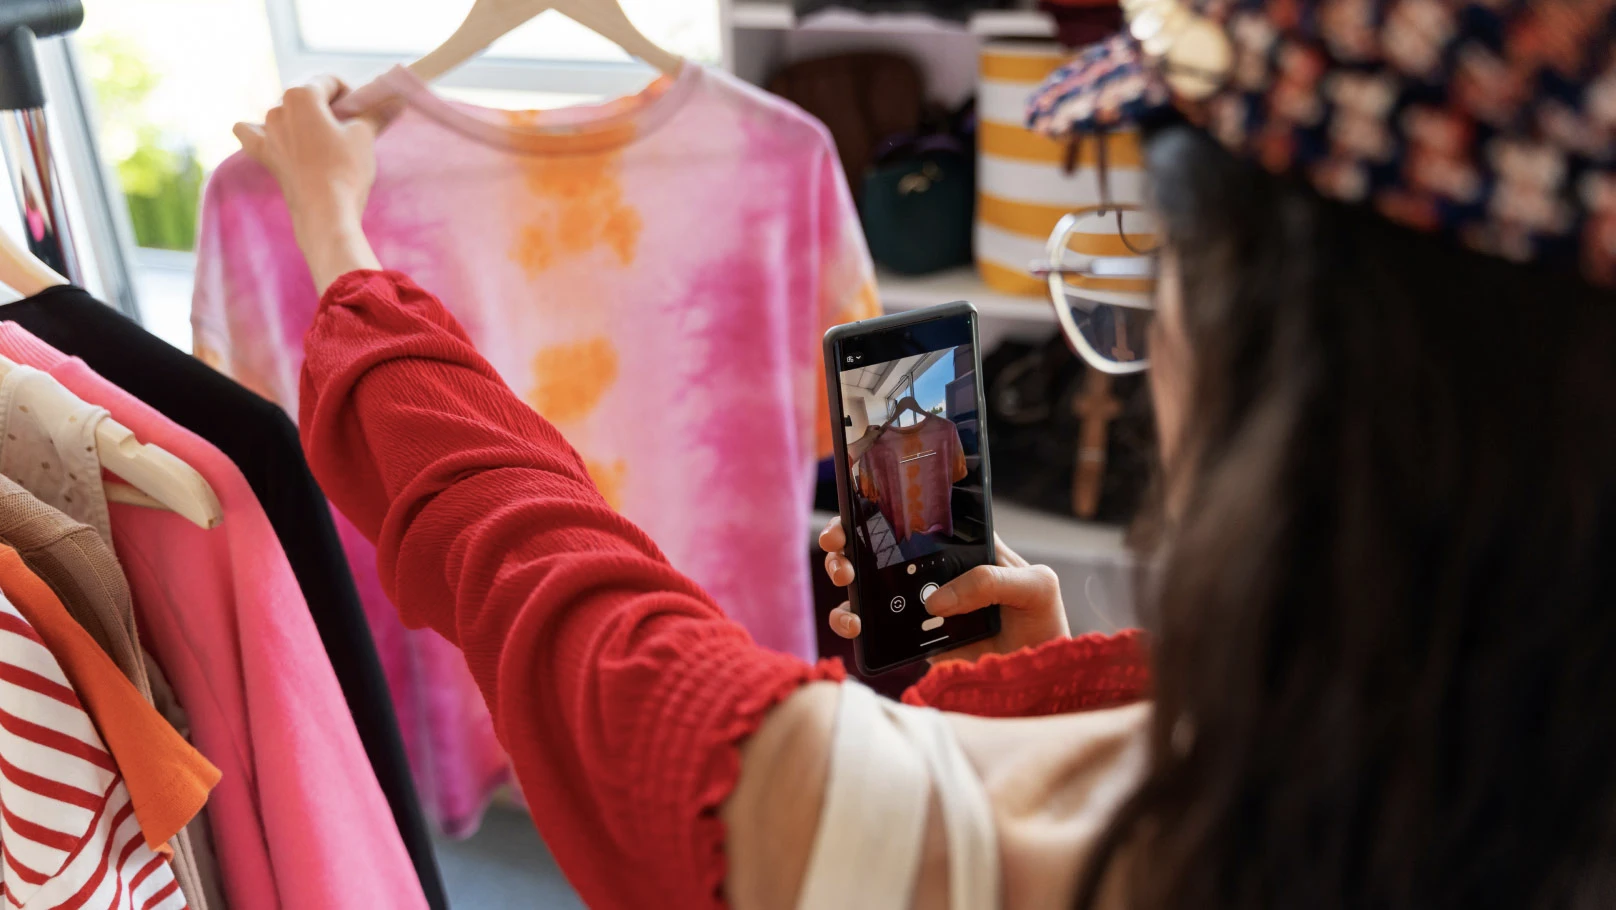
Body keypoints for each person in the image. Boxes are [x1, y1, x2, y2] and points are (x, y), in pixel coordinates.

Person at [232, 0, 1616, 905]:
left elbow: (578, 618)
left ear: (1293, 347)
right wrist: (1075, 681)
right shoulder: (1459, 769)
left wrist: (342, 259)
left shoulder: (1014, 850)